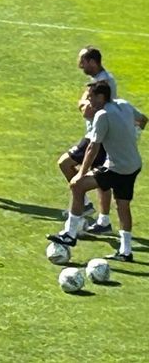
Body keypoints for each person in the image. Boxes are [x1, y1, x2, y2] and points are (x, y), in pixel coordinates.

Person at [48, 81, 143, 262]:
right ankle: (125, 251)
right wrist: (133, 136)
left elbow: (92, 147)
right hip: (133, 165)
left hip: (115, 167)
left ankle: (70, 233)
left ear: (101, 97)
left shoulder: (102, 115)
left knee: (77, 186)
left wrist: (81, 174)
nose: (88, 100)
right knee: (123, 206)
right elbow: (142, 119)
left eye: (91, 96)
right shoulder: (124, 104)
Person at [57, 47, 117, 232]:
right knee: (101, 179)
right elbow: (82, 105)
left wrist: (84, 103)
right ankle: (103, 221)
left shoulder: (103, 82)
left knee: (65, 163)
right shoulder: (98, 80)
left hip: (97, 136)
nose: (80, 65)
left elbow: (86, 110)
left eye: (83, 61)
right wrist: (83, 103)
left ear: (93, 62)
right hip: (98, 134)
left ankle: (83, 204)